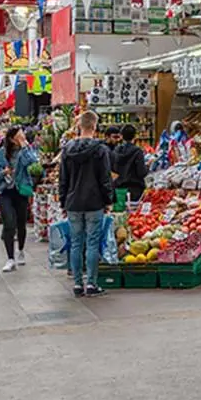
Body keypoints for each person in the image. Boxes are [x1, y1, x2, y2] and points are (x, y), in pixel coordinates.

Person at [60, 111, 113, 298]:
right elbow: (105, 178)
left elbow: (63, 179)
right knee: (92, 243)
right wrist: (108, 200)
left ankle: (76, 283)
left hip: (73, 202)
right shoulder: (101, 150)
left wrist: (62, 202)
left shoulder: (67, 150)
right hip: (94, 201)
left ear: (79, 125)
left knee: (75, 243)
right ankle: (91, 283)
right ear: (95, 126)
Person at [0, 126, 39, 272]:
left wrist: (25, 147)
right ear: (12, 139)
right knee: (9, 223)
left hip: (21, 191)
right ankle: (10, 258)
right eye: (19, 136)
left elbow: (34, 163)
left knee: (21, 223)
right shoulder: (0, 154)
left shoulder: (25, 152)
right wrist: (3, 172)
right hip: (5, 192)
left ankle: (21, 250)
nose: (22, 138)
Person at [112, 124, 148, 203]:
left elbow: (113, 170)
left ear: (121, 136)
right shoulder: (138, 152)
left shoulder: (116, 151)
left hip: (119, 190)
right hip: (135, 190)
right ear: (135, 136)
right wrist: (148, 166)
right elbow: (141, 172)